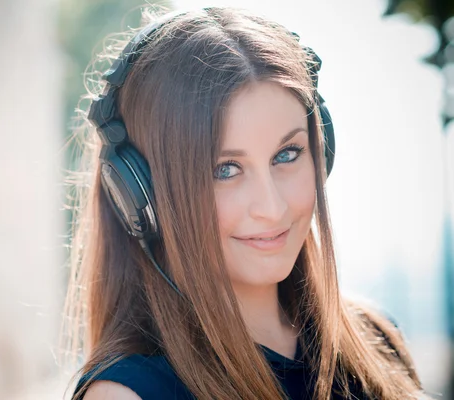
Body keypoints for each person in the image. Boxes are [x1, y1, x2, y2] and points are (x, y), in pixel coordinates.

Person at [61, 6, 428, 400]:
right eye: (225, 169)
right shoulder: (127, 394)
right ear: (140, 194)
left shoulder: (375, 339)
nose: (272, 208)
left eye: (287, 155)